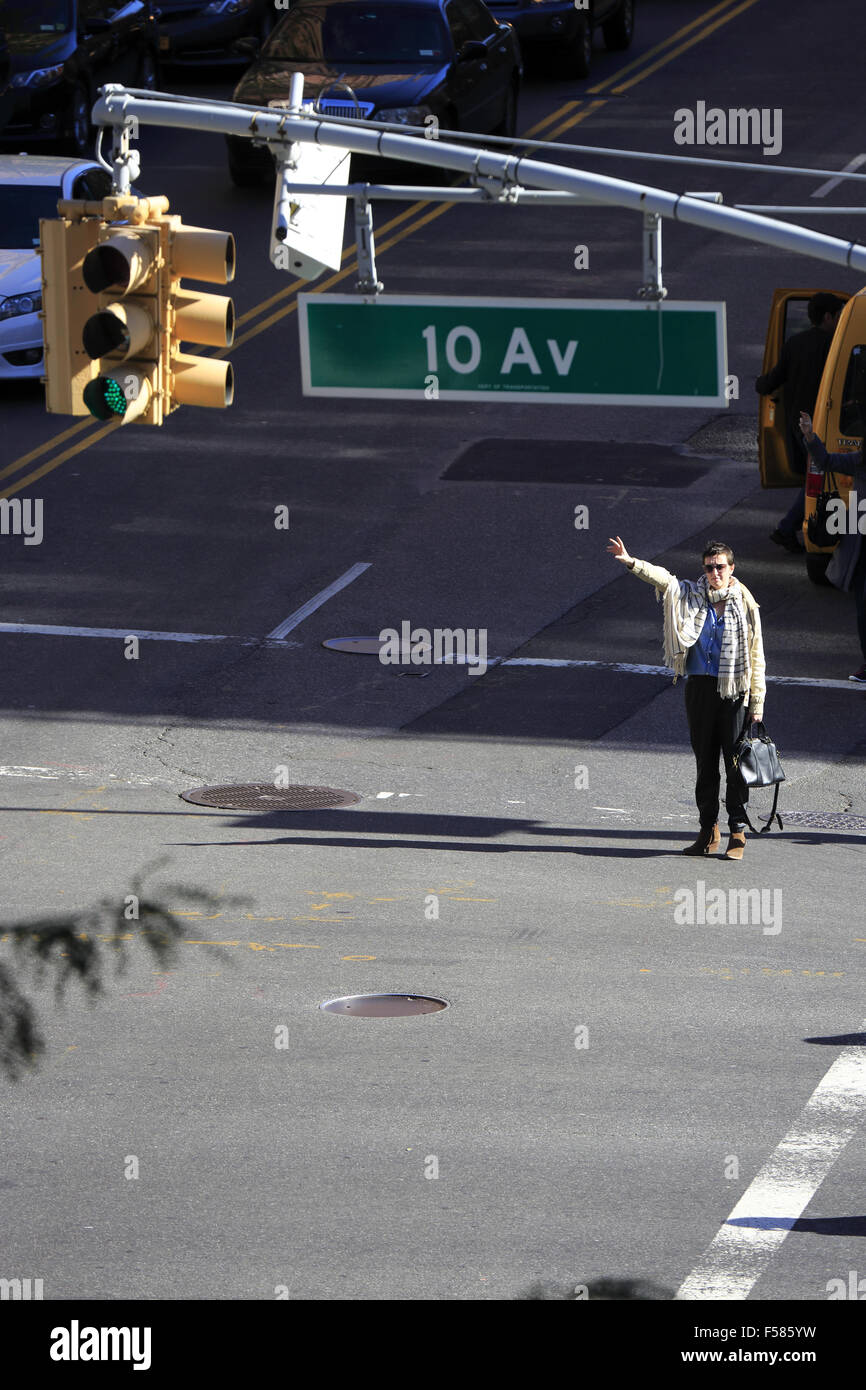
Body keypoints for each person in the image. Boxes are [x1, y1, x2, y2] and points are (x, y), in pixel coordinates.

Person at [606, 537, 766, 860]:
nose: (714, 573)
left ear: (731, 568)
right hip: (700, 690)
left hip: (733, 691)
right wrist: (630, 561)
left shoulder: (745, 602)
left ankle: (737, 831)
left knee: (735, 764)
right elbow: (664, 579)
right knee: (704, 763)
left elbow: (756, 654)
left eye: (720, 567)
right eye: (709, 567)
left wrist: (757, 703)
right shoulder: (693, 595)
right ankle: (709, 830)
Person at [755, 292, 846, 553]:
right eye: (839, 315)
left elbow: (771, 381)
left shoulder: (795, 343)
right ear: (828, 317)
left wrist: (760, 384)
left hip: (799, 423)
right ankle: (787, 527)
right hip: (829, 424)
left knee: (814, 474)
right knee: (818, 475)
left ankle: (788, 527)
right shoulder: (837, 345)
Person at [798, 409, 866, 683]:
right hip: (862, 545)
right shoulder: (860, 461)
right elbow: (825, 460)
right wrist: (810, 435)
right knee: (863, 606)